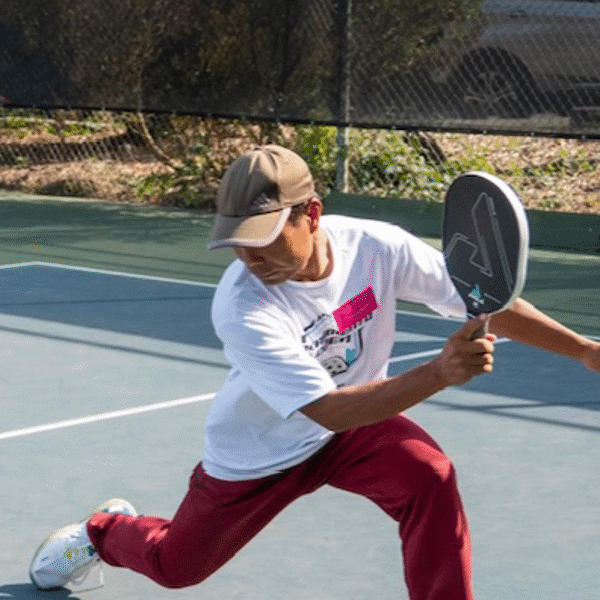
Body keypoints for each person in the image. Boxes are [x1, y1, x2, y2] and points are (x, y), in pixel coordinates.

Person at [30, 145, 600, 599]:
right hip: (263, 449)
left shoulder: (377, 247)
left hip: (354, 425)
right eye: (237, 244)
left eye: (264, 239)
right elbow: (326, 410)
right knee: (176, 567)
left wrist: (582, 349)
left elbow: (484, 299)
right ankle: (104, 531)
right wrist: (439, 372)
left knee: (429, 477)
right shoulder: (243, 306)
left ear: (312, 214)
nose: (251, 258)